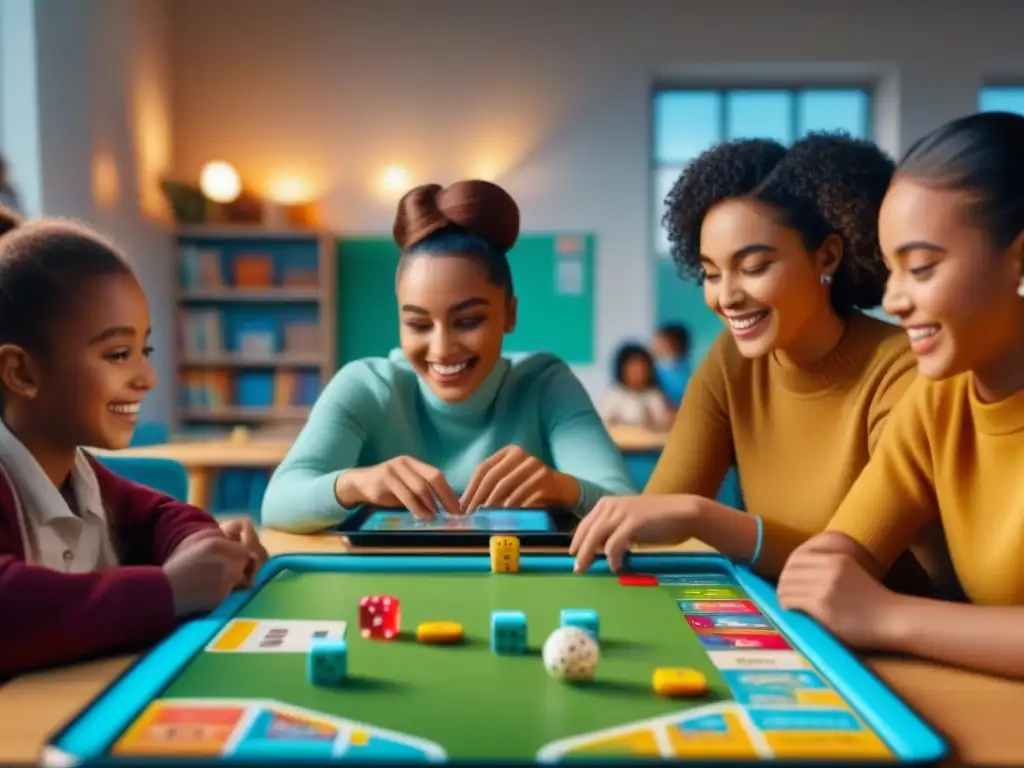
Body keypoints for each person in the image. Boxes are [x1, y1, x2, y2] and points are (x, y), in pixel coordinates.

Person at [570, 133, 932, 587]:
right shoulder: (732, 360)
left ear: (828, 256)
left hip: (893, 646)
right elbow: (653, 521)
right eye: (711, 274)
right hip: (793, 621)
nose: (727, 297)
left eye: (754, 267)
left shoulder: (901, 370)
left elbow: (846, 573)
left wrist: (705, 517)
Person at [778, 112, 1024, 679]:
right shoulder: (938, 399)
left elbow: (866, 607)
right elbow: (834, 561)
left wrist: (889, 617)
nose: (894, 299)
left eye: (922, 267)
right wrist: (829, 576)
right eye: (892, 270)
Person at [262, 180, 635, 532]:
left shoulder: (545, 384)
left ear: (510, 314)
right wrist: (355, 483)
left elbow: (626, 505)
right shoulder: (366, 385)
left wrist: (563, 487)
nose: (441, 349)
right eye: (419, 324)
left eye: (468, 320)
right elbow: (277, 505)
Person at [0, 207, 268, 678]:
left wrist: (202, 544)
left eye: (144, 351)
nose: (146, 378)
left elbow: (159, 514)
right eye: (118, 354)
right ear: (22, 372)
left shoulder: (77, 473)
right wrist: (167, 590)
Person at [600, 342, 673, 430]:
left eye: (642, 367)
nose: (638, 372)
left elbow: (664, 423)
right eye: (633, 367)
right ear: (622, 370)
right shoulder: (614, 395)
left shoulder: (655, 395)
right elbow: (604, 424)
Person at [651, 323, 692, 408]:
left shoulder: (667, 371)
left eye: (658, 342)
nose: (653, 346)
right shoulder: (687, 368)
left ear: (671, 343)